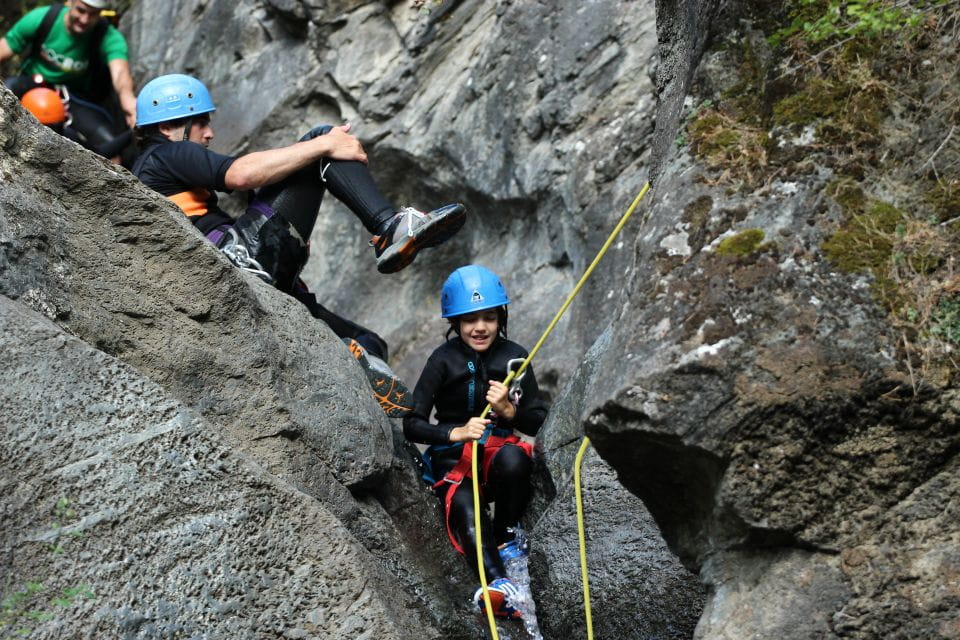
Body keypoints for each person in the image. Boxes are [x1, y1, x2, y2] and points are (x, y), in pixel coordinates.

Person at [131, 73, 466, 417]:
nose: (210, 133)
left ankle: (363, 397)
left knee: (369, 343)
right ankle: (389, 227)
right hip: (238, 266)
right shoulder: (166, 154)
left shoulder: (146, 176)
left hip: (236, 278)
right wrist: (324, 146)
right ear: (170, 125)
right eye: (201, 122)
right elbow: (241, 174)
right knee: (322, 140)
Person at [403, 265, 547, 619]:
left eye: (488, 317)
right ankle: (500, 585)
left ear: (500, 317)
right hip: (454, 459)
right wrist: (455, 433)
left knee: (516, 461)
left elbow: (540, 418)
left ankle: (505, 536)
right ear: (455, 323)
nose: (479, 327)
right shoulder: (443, 360)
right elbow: (412, 424)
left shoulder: (515, 356)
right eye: (468, 320)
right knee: (465, 508)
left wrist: (509, 411)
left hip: (497, 453)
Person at [1, 0, 135, 158]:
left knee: (110, 147)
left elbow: (120, 73)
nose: (84, 19)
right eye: (81, 11)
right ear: (70, 3)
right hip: (32, 84)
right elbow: (5, 47)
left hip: (73, 96)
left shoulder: (108, 36)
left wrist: (130, 107)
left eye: (93, 14)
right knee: (7, 90)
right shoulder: (43, 18)